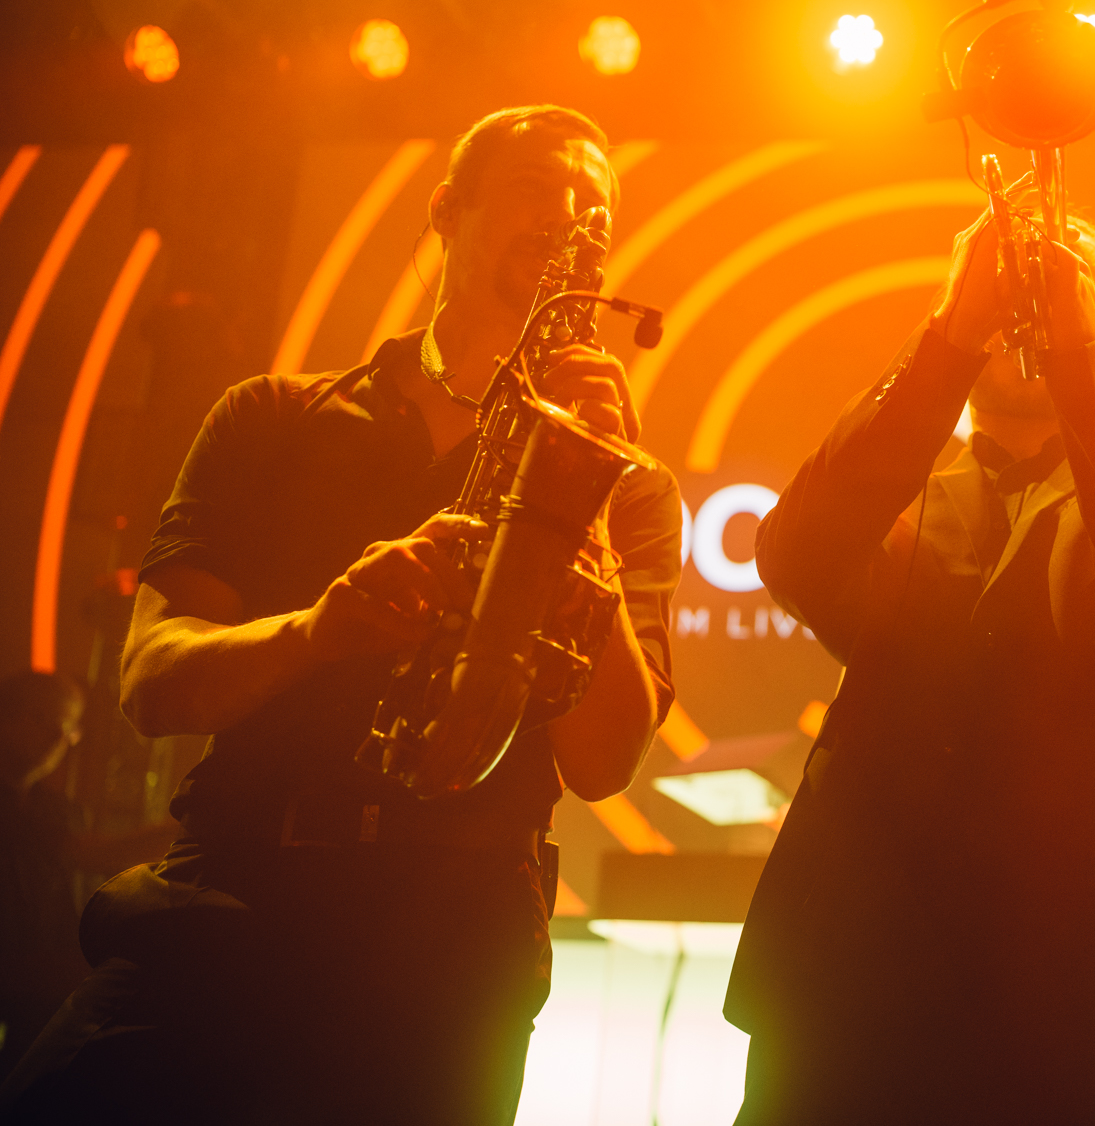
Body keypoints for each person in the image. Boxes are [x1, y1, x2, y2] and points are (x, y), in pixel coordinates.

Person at [0, 106, 681, 1126]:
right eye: (535, 188)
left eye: (591, 206)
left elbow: (604, 762)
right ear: (445, 210)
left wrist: (578, 495)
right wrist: (320, 629)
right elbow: (151, 681)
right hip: (228, 900)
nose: (565, 217)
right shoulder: (269, 417)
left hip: (449, 950)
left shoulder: (633, 489)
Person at [726, 207, 1095, 1123]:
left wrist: (1081, 357)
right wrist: (950, 330)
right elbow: (795, 557)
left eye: (1060, 291)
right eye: (1016, 290)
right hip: (866, 980)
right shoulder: (897, 485)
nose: (1031, 310)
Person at [0, 672, 87, 1086]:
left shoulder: (52, 809)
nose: (58, 737)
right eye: (44, 719)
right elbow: (86, 851)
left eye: (68, 727)